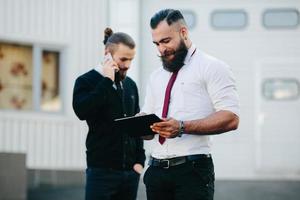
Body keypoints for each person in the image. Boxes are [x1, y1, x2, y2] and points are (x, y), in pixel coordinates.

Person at [141, 9, 240, 200]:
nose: (161, 49)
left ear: (184, 33)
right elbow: (147, 117)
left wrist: (182, 127)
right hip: (155, 172)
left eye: (166, 41)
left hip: (192, 172)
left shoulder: (212, 67)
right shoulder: (156, 76)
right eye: (156, 43)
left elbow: (231, 118)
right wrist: (140, 125)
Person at [72, 28, 145, 200]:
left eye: (131, 59)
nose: (128, 65)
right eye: (123, 59)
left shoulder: (131, 86)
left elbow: (135, 126)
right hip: (101, 173)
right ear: (107, 54)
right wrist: (107, 81)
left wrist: (139, 162)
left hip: (130, 175)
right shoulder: (86, 81)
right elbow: (82, 111)